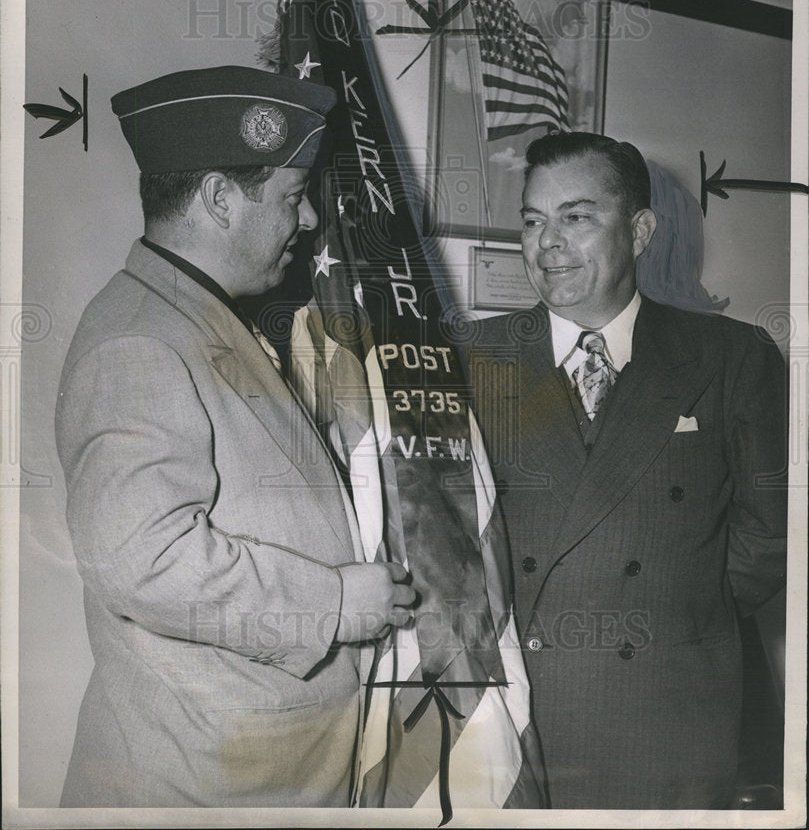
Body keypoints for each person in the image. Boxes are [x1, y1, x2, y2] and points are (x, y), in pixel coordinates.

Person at [55, 65, 415, 808]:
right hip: (200, 788)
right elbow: (142, 560)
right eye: (291, 197)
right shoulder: (142, 341)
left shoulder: (200, 317)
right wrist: (335, 603)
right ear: (221, 199)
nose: (310, 220)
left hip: (251, 775)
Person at [462, 132, 788, 809]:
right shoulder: (468, 358)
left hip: (665, 719)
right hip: (510, 721)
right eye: (532, 220)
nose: (547, 242)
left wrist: (671, 611)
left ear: (639, 231)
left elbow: (770, 534)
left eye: (575, 217)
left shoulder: (730, 357)